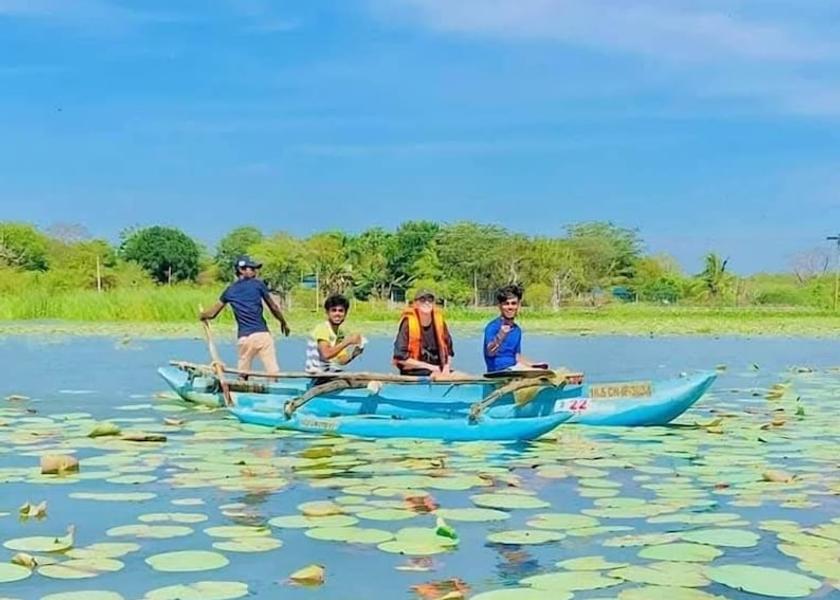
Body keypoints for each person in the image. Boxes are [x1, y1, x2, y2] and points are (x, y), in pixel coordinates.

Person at [199, 255, 290, 374]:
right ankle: (273, 387)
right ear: (241, 270)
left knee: (243, 372)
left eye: (255, 269)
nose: (255, 271)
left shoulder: (230, 290)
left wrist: (202, 315)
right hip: (262, 335)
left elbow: (212, 314)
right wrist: (283, 322)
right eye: (251, 268)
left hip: (245, 338)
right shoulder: (258, 285)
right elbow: (273, 307)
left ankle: (242, 386)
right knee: (272, 370)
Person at [484, 284, 547, 372]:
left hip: (514, 370)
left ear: (518, 305)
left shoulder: (517, 330)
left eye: (513, 304)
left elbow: (516, 357)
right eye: (506, 304)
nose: (510, 307)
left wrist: (534, 365)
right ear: (500, 306)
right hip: (498, 372)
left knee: (542, 371)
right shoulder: (492, 327)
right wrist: (500, 336)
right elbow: (490, 352)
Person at [393, 289, 455, 376]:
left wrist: (446, 367)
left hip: (438, 368)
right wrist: (431, 367)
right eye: (422, 300)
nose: (427, 303)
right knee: (435, 375)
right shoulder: (408, 323)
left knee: (461, 376)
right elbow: (400, 357)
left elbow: (449, 350)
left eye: (430, 300)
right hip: (415, 370)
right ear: (415, 304)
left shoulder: (439, 321)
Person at [305, 294, 365, 374]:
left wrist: (355, 353)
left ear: (345, 314)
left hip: (329, 371)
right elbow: (326, 354)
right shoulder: (323, 329)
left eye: (341, 311)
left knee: (361, 378)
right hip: (317, 372)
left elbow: (341, 360)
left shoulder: (339, 334)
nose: (337, 314)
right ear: (327, 313)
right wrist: (347, 341)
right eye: (334, 310)